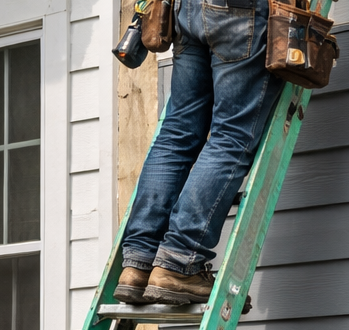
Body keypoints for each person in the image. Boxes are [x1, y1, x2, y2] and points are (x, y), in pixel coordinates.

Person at [114, 0, 283, 306]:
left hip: (187, 9)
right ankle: (179, 263)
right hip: (241, 11)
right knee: (231, 137)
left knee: (177, 134)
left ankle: (138, 262)